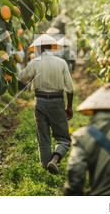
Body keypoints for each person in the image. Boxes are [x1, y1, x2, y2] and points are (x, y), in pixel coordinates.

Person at [18, 34, 74, 174]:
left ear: (39, 48)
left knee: (43, 139)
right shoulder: (61, 63)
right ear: (51, 48)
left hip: (40, 102)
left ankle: (46, 169)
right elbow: (70, 88)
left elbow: (22, 78)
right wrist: (69, 107)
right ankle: (54, 161)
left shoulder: (35, 62)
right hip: (57, 101)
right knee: (63, 139)